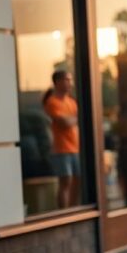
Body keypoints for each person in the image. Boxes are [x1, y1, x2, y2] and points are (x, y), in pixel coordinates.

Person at [43, 70, 80, 209]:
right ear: (57, 82)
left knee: (78, 181)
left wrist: (72, 119)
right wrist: (74, 118)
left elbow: (72, 120)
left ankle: (74, 211)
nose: (69, 83)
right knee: (66, 181)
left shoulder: (71, 102)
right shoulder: (52, 102)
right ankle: (64, 213)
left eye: (70, 80)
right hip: (61, 149)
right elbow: (64, 123)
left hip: (76, 147)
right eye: (66, 79)